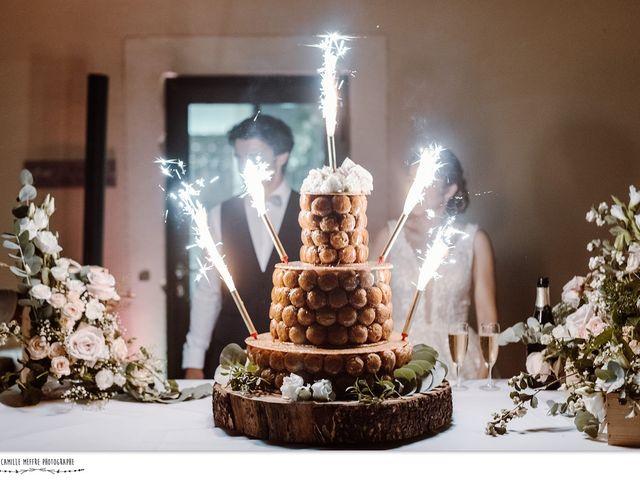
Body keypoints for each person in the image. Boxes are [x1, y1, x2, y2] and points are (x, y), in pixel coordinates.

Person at [182, 115, 301, 379]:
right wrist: (194, 359)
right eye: (240, 158)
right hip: (230, 350)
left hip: (293, 355)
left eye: (255, 156)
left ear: (282, 156)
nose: (245, 166)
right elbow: (208, 292)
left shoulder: (310, 213)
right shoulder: (217, 215)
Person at [373, 149, 498, 380]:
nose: (415, 188)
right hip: (401, 364)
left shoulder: (474, 241)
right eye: (412, 180)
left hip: (460, 363)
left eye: (426, 181)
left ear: (449, 191)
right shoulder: (388, 238)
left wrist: (483, 371)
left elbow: (487, 320)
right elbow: (370, 312)